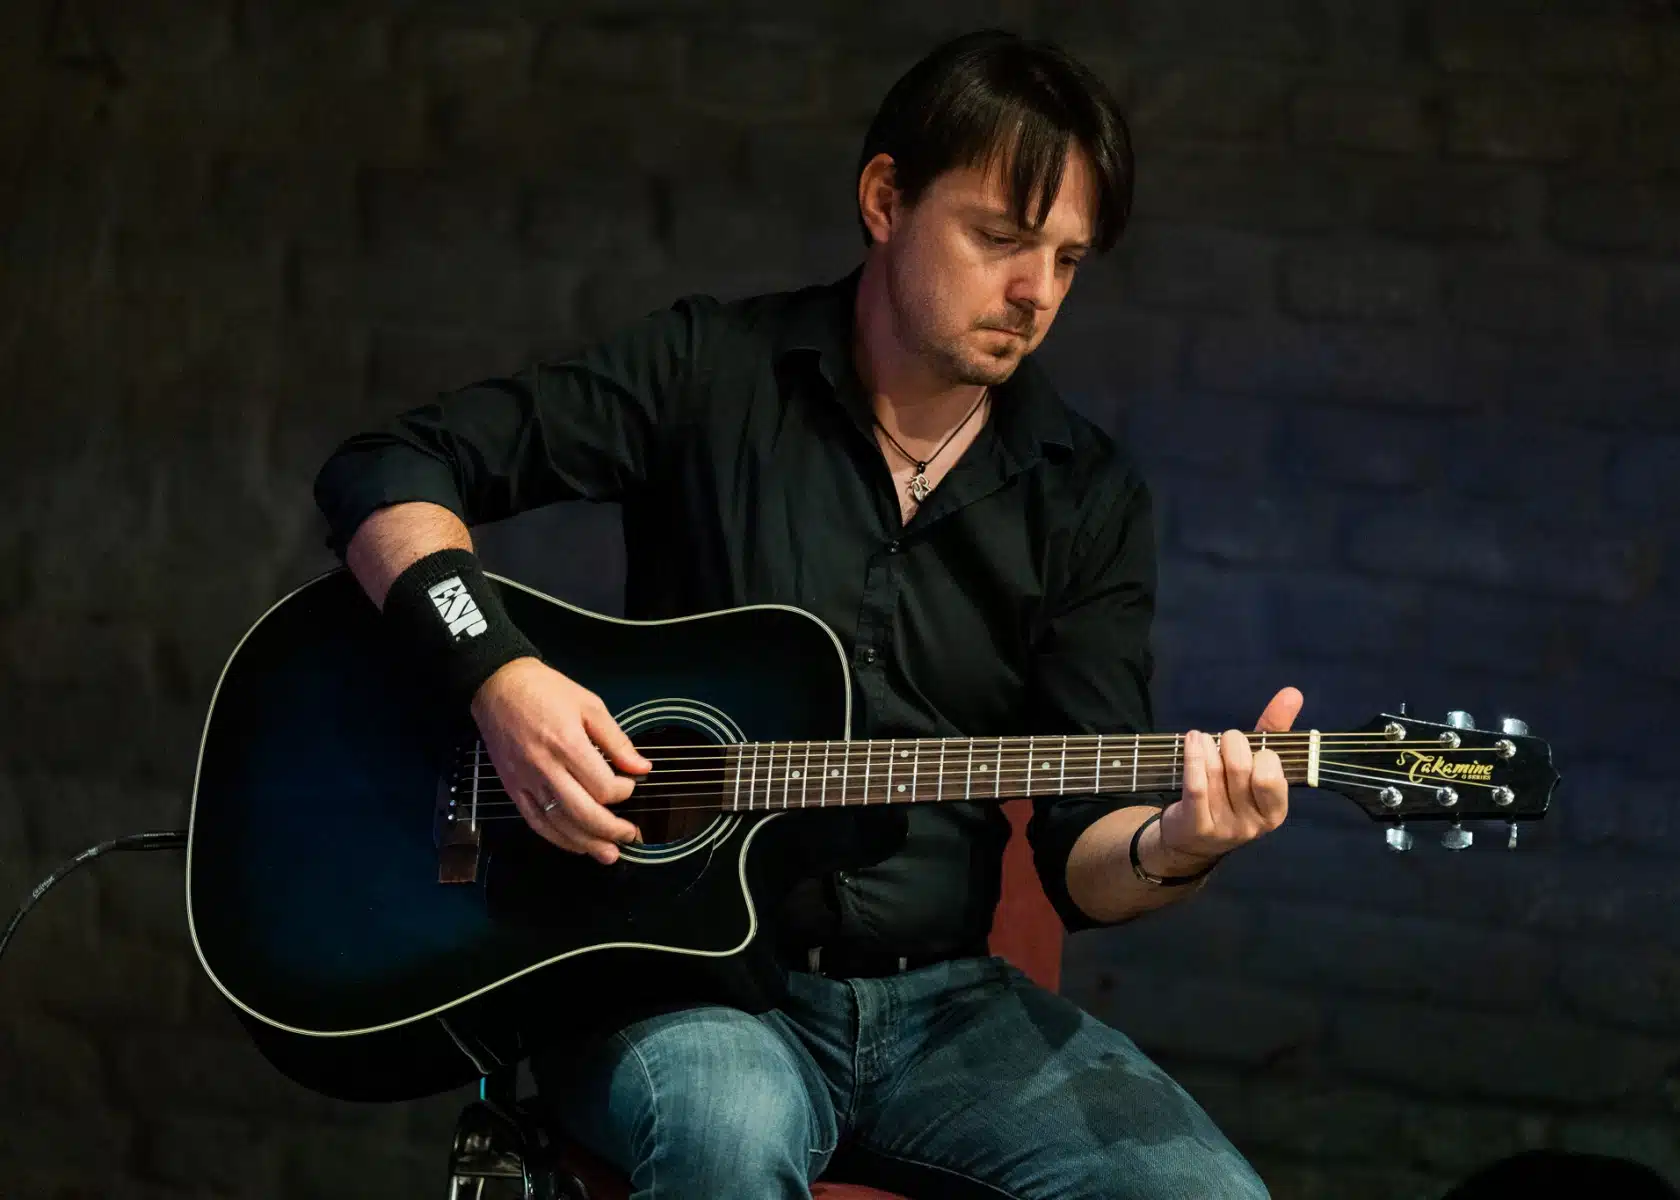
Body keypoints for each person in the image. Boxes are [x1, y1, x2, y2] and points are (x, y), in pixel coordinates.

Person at [314, 28, 1301, 1200]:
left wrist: (1176, 849)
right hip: (674, 985)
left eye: (1068, 260)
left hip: (949, 1010)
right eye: (1001, 238)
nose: (1035, 292)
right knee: (729, 1132)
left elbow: (1087, 860)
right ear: (886, 199)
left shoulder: (1083, 496)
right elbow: (385, 472)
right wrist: (498, 676)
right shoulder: (711, 372)